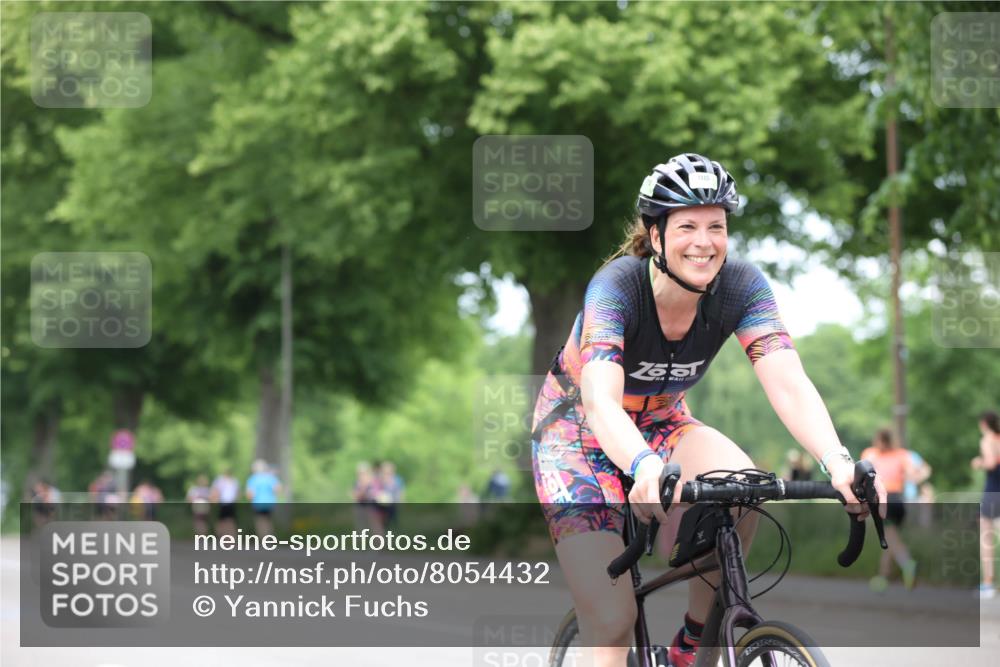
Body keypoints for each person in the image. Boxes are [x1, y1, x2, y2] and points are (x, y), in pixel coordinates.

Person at [530, 153, 885, 667]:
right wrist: (642, 465)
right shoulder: (616, 288)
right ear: (655, 236)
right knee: (610, 622)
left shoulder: (742, 286)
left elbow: (786, 379)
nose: (704, 241)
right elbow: (600, 400)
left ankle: (692, 645)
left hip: (662, 421)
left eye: (716, 226)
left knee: (741, 486)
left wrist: (837, 460)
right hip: (577, 435)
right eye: (687, 226)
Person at [861, 428, 918, 592]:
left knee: (890, 538)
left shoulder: (870, 454)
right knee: (889, 539)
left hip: (882, 500)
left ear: (877, 440)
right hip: (899, 501)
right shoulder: (901, 455)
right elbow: (914, 474)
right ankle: (883, 576)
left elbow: (863, 478)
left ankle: (907, 564)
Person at [972, 410, 1000, 599]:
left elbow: (990, 463)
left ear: (983, 424)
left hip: (993, 492)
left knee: (987, 540)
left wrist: (979, 462)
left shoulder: (987, 439)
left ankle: (988, 584)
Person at [245, 459, 282, 537]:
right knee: (268, 520)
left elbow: (250, 494)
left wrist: (250, 499)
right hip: (269, 502)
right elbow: (278, 489)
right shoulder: (270, 477)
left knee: (260, 521)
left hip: (258, 503)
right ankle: (269, 537)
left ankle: (262, 538)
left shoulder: (253, 478)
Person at [211, 468, 240, 536]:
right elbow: (215, 491)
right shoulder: (226, 480)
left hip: (228, 502)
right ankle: (224, 534)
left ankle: (228, 535)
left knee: (227, 520)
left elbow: (237, 492)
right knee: (225, 520)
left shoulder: (232, 481)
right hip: (225, 502)